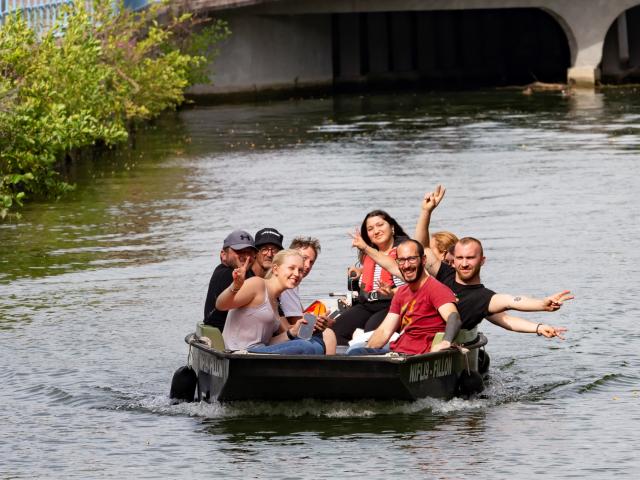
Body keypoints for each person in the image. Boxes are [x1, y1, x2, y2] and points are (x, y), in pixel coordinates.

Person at [355, 186, 572, 338]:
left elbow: (511, 304)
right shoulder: (444, 274)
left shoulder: (482, 297)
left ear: (482, 261)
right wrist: (425, 212)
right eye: (460, 258)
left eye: (470, 258)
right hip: (409, 335)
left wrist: (541, 311)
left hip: (437, 345)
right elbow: (423, 247)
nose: (464, 263)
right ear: (453, 260)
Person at [347, 239, 462, 355]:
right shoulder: (402, 292)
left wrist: (446, 342)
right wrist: (368, 349)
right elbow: (384, 331)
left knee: (355, 352)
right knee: (354, 350)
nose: (406, 265)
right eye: (401, 260)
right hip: (398, 350)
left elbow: (454, 317)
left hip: (418, 356)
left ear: (423, 260)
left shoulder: (436, 288)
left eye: (411, 259)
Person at [216, 249, 322, 354]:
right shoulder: (257, 284)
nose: (297, 274)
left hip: (259, 351)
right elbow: (220, 305)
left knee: (317, 343)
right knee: (305, 346)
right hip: (239, 353)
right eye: (291, 268)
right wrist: (235, 286)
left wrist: (292, 332)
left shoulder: (275, 300)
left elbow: (267, 343)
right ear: (275, 269)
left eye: (300, 270)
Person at [331, 209, 410, 346]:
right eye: (370, 229)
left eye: (380, 225)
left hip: (393, 304)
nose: (376, 231)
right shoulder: (369, 253)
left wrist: (392, 292)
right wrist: (361, 271)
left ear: (392, 227)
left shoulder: (405, 250)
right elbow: (377, 269)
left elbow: (411, 284)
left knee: (371, 332)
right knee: (336, 330)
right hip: (368, 303)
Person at [279, 237, 337, 355]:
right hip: (284, 336)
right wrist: (320, 324)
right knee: (328, 334)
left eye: (311, 262)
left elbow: (299, 317)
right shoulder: (288, 286)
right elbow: (297, 323)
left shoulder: (293, 284)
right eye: (304, 258)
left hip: (287, 332)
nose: (307, 265)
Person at [203, 229, 257, 331]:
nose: (246, 256)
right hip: (226, 341)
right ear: (223, 255)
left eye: (249, 252)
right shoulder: (226, 274)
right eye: (239, 251)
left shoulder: (247, 272)